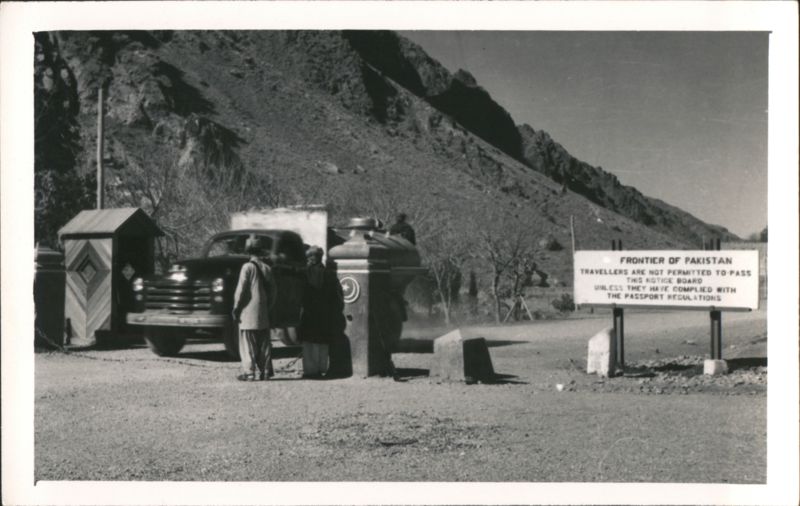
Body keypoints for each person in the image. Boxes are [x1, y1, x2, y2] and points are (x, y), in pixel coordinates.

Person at [232, 236, 277, 381]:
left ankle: (249, 372)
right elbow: (274, 291)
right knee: (263, 342)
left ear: (248, 251)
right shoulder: (267, 268)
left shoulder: (247, 267)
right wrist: (268, 306)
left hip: (247, 311)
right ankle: (265, 371)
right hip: (263, 310)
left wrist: (236, 307)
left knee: (247, 342)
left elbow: (241, 290)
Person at [299, 246, 344, 378]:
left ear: (312, 258)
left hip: (309, 312)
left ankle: (310, 370)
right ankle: (321, 368)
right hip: (324, 314)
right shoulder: (329, 273)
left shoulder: (305, 273)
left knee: (308, 343)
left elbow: (301, 293)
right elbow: (336, 296)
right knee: (322, 342)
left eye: (309, 257)